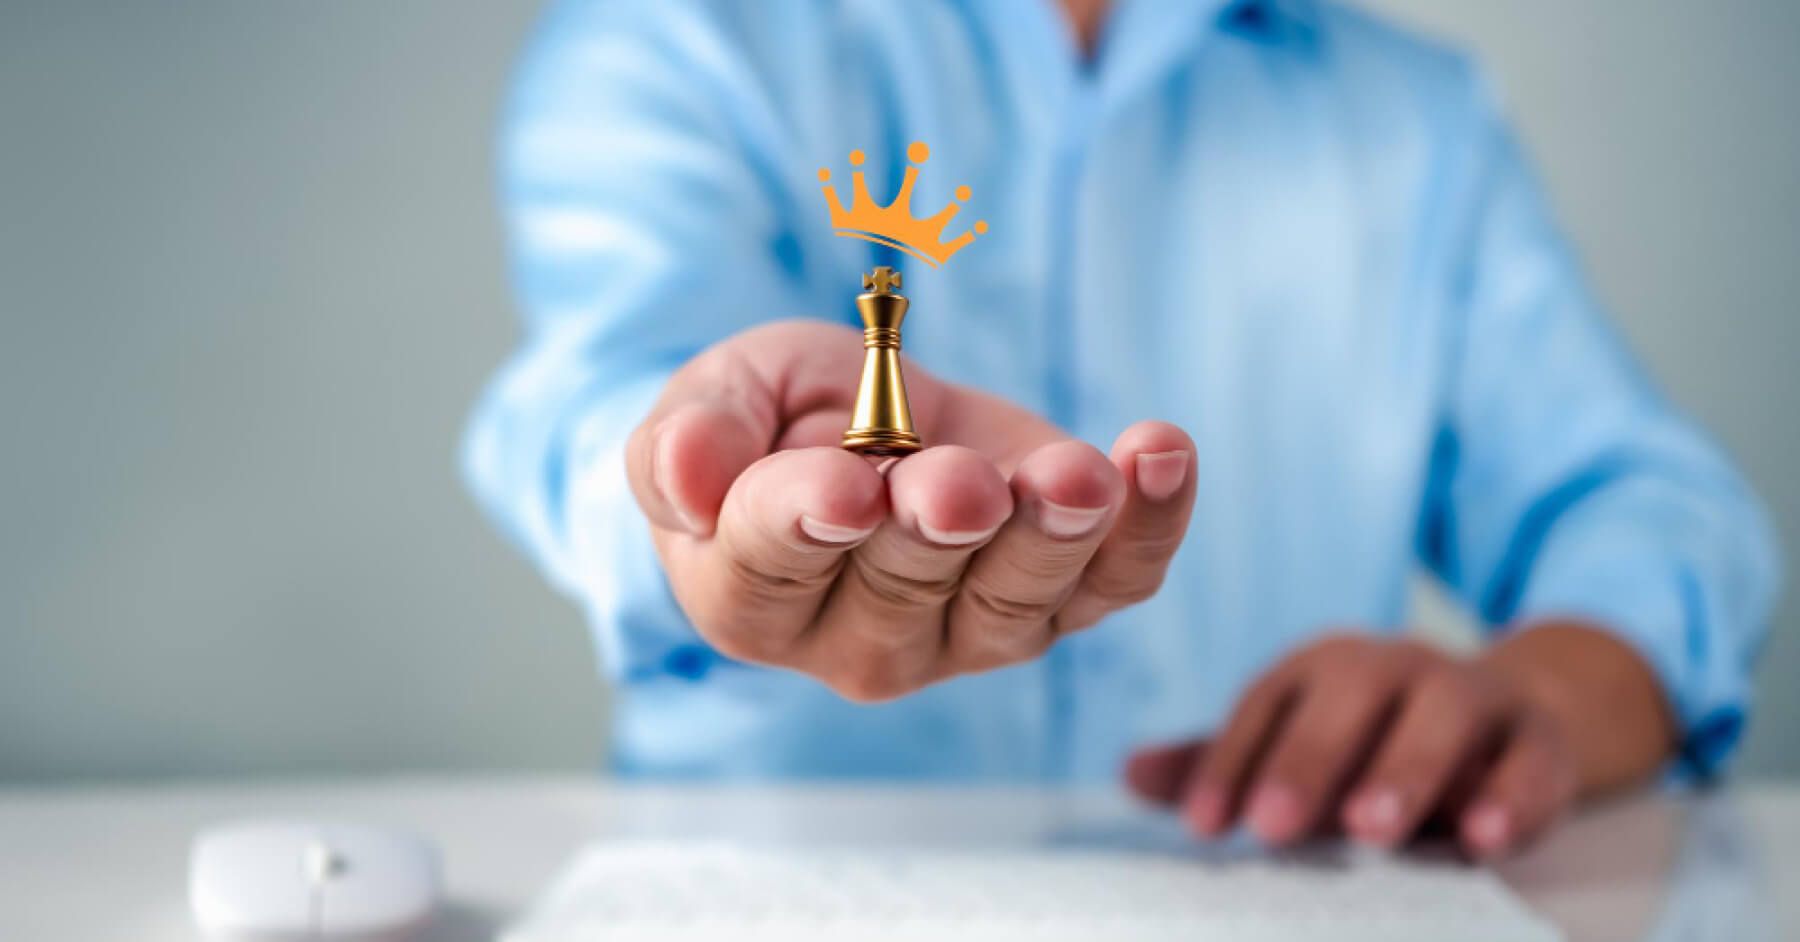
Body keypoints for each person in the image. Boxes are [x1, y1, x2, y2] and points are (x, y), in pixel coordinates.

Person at [464, 0, 1779, 859]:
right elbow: (606, 392)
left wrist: (1535, 690)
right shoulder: (682, 42)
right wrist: (684, 493)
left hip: (1278, 890)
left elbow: (1645, 506)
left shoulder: (1418, 124)